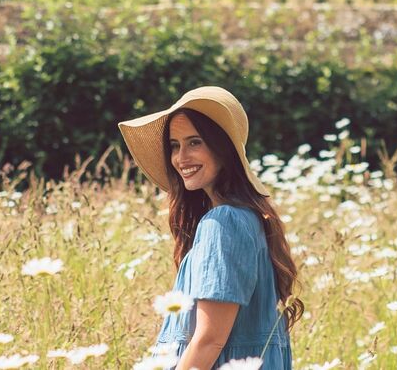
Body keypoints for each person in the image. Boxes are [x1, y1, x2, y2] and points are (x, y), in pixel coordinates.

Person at [118, 86, 302, 370]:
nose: (181, 158)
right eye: (175, 145)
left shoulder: (225, 222)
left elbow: (210, 339)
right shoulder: (246, 217)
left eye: (194, 142)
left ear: (223, 149)